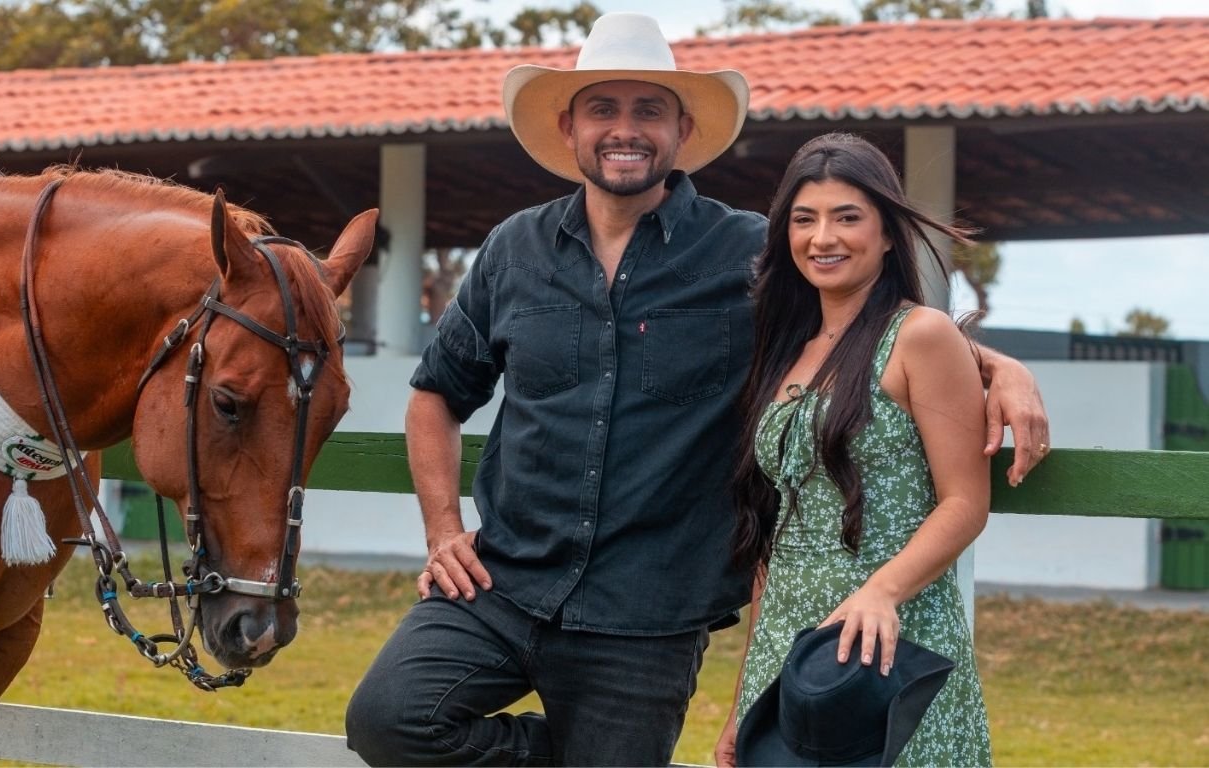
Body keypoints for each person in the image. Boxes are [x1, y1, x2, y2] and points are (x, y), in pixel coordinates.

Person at [346, 13, 1045, 767]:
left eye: (648, 110)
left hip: (649, 614)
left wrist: (994, 365)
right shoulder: (512, 250)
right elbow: (436, 395)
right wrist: (443, 531)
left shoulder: (748, 253)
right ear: (569, 126)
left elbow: (861, 320)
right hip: (502, 585)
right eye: (603, 109)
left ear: (681, 129)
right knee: (388, 720)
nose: (625, 129)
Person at [715, 132, 995, 767]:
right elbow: (775, 538)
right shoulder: (783, 349)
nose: (823, 238)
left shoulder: (920, 335)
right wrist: (743, 701)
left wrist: (882, 591)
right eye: (804, 219)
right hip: (788, 652)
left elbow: (964, 502)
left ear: (888, 232)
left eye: (847, 217)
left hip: (893, 643)